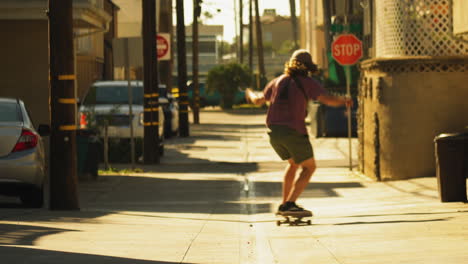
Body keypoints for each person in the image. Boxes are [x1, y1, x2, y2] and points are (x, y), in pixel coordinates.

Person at [245, 49, 353, 215]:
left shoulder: (278, 81)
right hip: (293, 132)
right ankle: (290, 203)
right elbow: (327, 99)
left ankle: (284, 205)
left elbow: (258, 100)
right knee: (309, 167)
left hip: (274, 133)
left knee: (293, 164)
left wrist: (249, 92)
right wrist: (344, 101)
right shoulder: (307, 82)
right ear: (307, 68)